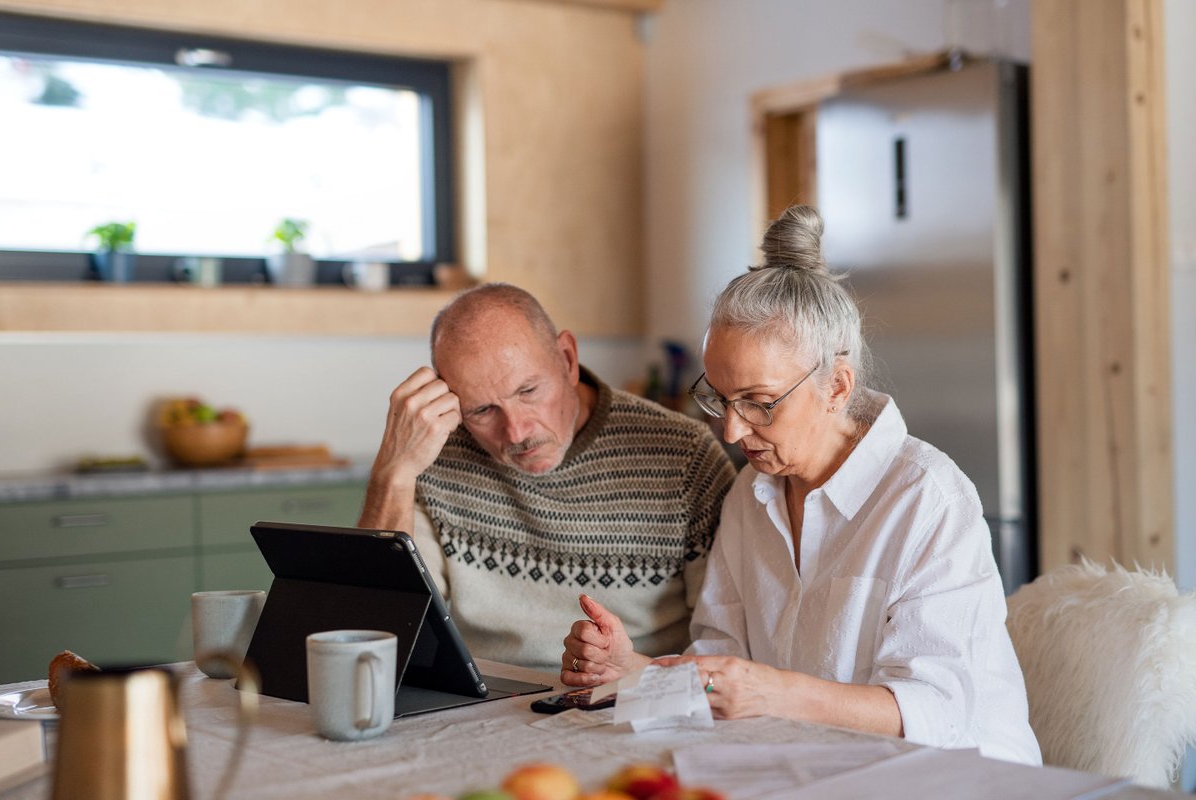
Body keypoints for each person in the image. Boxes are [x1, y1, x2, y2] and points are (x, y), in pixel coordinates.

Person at [560, 206, 1041, 765]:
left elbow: (937, 711)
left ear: (836, 386)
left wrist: (776, 693)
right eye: (719, 397)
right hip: (813, 767)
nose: (734, 430)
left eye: (760, 404)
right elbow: (722, 669)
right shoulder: (752, 494)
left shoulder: (927, 498)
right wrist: (634, 672)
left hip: (959, 780)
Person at [358, 282, 737, 672]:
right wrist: (394, 472)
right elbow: (380, 630)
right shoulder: (434, 452)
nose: (517, 432)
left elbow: (728, 648)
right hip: (483, 702)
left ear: (568, 359)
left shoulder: (685, 455)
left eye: (528, 391)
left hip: (634, 702)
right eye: (483, 410)